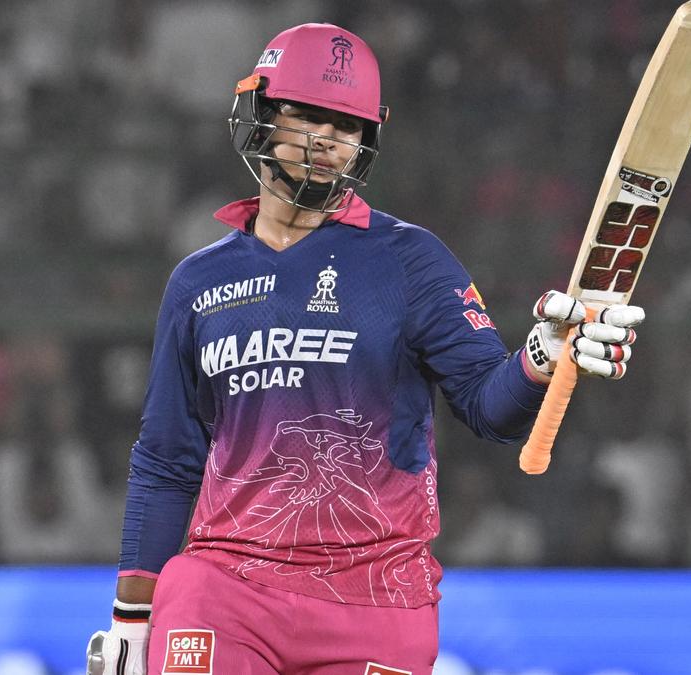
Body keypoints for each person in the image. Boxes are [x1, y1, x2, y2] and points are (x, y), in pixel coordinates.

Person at [87, 22, 645, 675]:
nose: (327, 138)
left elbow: (490, 408)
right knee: (193, 580)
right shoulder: (198, 282)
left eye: (346, 125)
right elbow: (166, 460)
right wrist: (130, 618)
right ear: (260, 113)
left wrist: (542, 355)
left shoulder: (410, 260)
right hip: (228, 588)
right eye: (306, 115)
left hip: (379, 599)